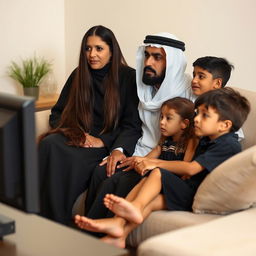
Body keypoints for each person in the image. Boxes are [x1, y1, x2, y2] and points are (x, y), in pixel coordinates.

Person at [74, 87, 251, 248]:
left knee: (158, 173)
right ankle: (120, 232)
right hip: (187, 192)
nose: (196, 119)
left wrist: (155, 163)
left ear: (225, 125)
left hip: (193, 194)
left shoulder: (228, 144)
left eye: (205, 115)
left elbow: (191, 169)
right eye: (197, 113)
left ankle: (134, 207)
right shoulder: (208, 139)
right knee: (150, 199)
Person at [38, 25, 142, 225]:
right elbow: (57, 113)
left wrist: (103, 142)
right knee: (48, 144)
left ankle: (59, 223)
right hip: (76, 137)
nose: (92, 54)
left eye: (99, 48)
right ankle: (38, 216)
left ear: (112, 51)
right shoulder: (79, 74)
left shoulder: (129, 77)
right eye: (88, 49)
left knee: (71, 159)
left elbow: (132, 124)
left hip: (104, 144)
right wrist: (75, 133)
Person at [84, 32, 194, 219]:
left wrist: (148, 161)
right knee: (101, 170)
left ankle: (94, 235)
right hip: (141, 150)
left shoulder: (190, 91)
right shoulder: (143, 88)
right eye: (147, 55)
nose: (148, 63)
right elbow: (131, 125)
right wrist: (120, 150)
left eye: (157, 57)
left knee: (117, 181)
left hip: (167, 158)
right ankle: (85, 228)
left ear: (173, 62)